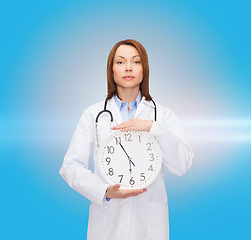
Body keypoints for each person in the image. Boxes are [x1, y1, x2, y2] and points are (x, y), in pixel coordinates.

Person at [59, 39, 194, 240]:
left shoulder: (162, 116)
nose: (128, 67)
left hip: (150, 225)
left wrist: (153, 127)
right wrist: (104, 191)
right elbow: (70, 166)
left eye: (136, 62)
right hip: (107, 223)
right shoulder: (94, 114)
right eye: (120, 62)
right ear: (111, 69)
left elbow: (183, 164)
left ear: (144, 69)